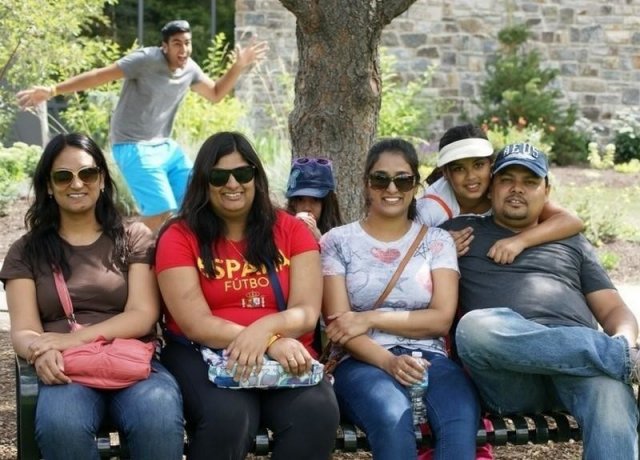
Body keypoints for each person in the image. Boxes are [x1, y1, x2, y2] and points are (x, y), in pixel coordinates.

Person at [442, 142, 640, 459]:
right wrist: (437, 251)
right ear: (491, 188)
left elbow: (614, 308)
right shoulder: (459, 233)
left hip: (580, 371)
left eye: (530, 181)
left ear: (546, 191)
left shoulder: (571, 241)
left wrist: (625, 339)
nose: (517, 189)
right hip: (509, 378)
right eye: (507, 179)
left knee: (611, 394)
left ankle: (618, 357)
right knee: (474, 328)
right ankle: (624, 360)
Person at [155, 131, 340, 460]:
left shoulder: (291, 230)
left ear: (256, 176)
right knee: (230, 417)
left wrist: (266, 333)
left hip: (285, 355)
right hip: (201, 352)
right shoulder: (179, 236)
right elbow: (195, 322)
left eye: (242, 173)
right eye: (219, 176)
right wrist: (269, 341)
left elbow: (306, 311)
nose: (232, 184)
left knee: (317, 411)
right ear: (204, 182)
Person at [0, 133, 184, 460]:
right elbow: (24, 329)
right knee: (62, 425)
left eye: (87, 173)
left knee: (158, 417)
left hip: (132, 361)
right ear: (48, 186)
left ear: (101, 179)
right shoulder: (25, 251)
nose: (77, 184)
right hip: (65, 369)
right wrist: (40, 352)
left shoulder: (133, 236)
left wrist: (74, 339)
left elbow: (142, 315)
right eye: (63, 176)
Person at [17, 20, 268, 232]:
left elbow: (215, 93)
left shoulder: (190, 69)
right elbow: (100, 75)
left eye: (187, 43)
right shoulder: (146, 60)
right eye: (177, 43)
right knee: (160, 211)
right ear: (164, 46)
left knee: (198, 200)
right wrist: (52, 90)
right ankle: (120, 248)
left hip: (165, 146)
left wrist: (238, 66)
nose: (183, 49)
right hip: (132, 145)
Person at [321, 138, 480, 460]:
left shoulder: (437, 242)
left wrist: (369, 318)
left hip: (431, 359)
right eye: (381, 179)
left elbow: (441, 319)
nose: (391, 188)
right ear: (366, 183)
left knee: (460, 420)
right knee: (393, 417)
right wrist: (389, 362)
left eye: (403, 180)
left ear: (415, 185)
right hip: (362, 362)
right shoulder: (337, 242)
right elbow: (341, 327)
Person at [416, 124, 584, 262]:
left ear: (491, 165)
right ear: (445, 172)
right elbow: (404, 247)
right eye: (459, 169)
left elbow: (572, 221)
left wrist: (520, 241)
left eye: (478, 165)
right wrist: (437, 245)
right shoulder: (431, 208)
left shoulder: (503, 190)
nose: (471, 176)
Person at [285, 157, 344, 241]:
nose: (307, 208)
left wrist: (321, 240)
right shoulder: (282, 232)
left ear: (327, 203)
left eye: (315, 200)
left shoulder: (342, 236)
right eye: (300, 199)